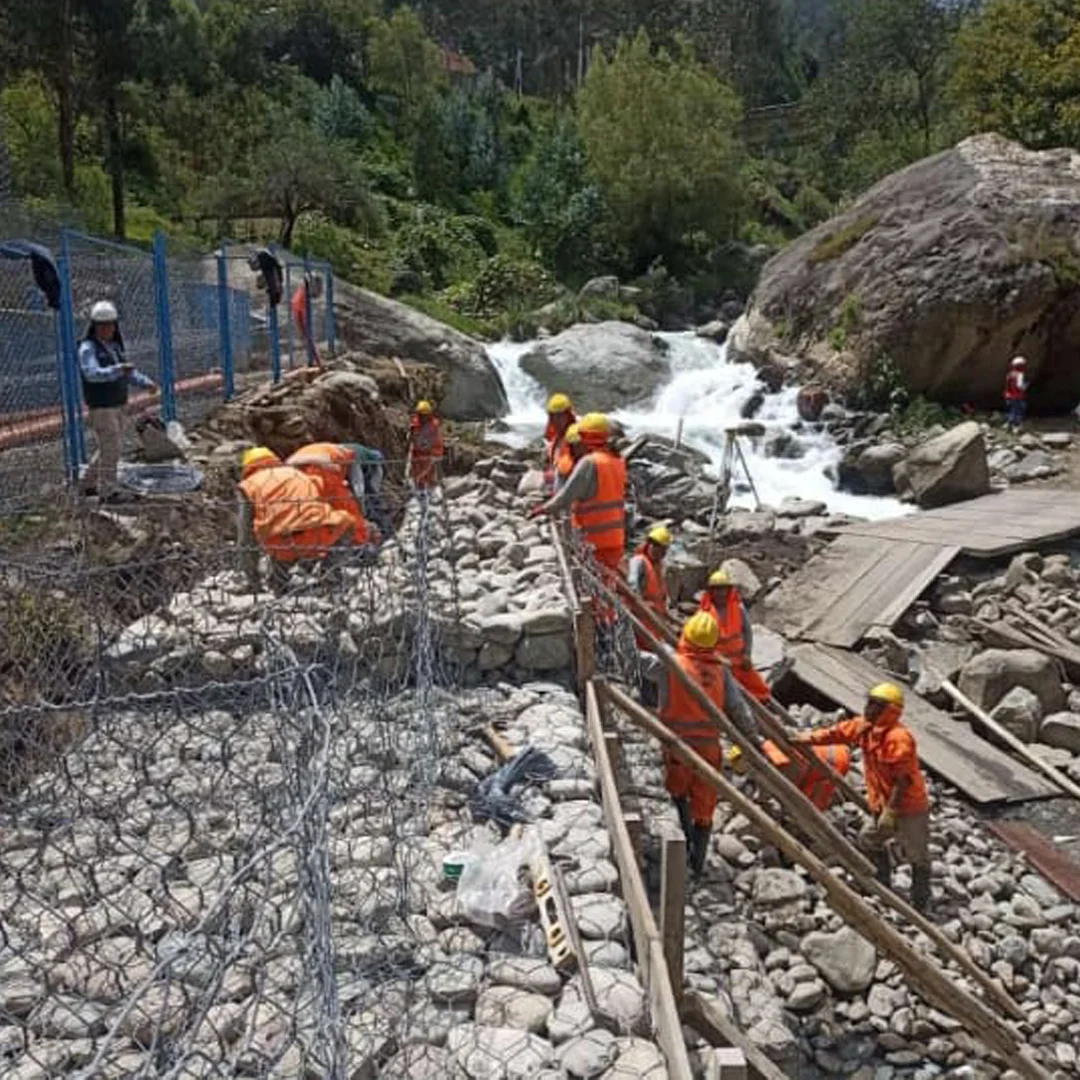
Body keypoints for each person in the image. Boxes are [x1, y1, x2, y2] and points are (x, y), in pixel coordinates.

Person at [640, 611, 760, 878]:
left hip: (677, 746)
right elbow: (739, 710)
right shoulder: (721, 672)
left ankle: (683, 850)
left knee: (678, 793)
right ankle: (697, 862)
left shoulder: (670, 664)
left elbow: (638, 662)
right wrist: (754, 740)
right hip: (709, 748)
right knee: (705, 806)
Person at [793, 682, 932, 911]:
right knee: (869, 839)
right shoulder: (864, 727)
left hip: (908, 806)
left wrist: (891, 812)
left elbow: (903, 780)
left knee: (917, 855)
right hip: (881, 801)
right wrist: (805, 738)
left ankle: (920, 903)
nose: (870, 709)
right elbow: (836, 733)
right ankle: (883, 884)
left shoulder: (898, 738)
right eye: (870, 703)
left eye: (877, 706)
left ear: (890, 711)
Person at [237, 446, 364, 592]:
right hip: (317, 536)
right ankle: (330, 575)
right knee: (347, 522)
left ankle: (279, 584)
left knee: (277, 538)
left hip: (280, 543)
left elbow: (245, 537)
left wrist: (252, 579)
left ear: (247, 469)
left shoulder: (249, 485)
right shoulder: (296, 473)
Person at [78, 300, 156, 502]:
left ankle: (87, 483)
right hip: (102, 407)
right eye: (102, 325)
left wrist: (146, 383)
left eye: (110, 324)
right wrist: (117, 370)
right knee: (111, 447)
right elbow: (92, 374)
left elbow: (128, 372)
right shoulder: (88, 348)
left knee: (108, 446)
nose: (107, 329)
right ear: (94, 326)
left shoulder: (114, 347)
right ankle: (108, 491)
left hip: (119, 405)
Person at [529, 412, 626, 574]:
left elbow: (565, 497)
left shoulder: (589, 462)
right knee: (609, 581)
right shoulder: (618, 461)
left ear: (587, 437)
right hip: (616, 537)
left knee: (594, 583)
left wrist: (542, 509)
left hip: (594, 539)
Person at [699, 569, 773, 704]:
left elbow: (747, 632)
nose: (721, 594)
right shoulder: (704, 613)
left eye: (724, 589)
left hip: (739, 660)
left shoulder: (738, 608)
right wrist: (717, 658)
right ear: (711, 591)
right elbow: (701, 643)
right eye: (717, 590)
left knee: (759, 688)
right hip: (719, 663)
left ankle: (763, 707)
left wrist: (747, 654)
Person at [285, 443, 374, 546]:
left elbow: (288, 463)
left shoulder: (323, 447)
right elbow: (358, 485)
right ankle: (363, 543)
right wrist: (362, 512)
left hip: (298, 475)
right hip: (323, 471)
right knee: (350, 512)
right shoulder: (352, 455)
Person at [727, 740, 852, 812]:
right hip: (831, 758)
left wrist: (771, 793)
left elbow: (792, 771)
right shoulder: (767, 750)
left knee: (809, 810)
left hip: (834, 762)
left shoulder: (772, 753)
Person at [543, 392, 577, 494]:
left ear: (568, 415)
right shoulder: (555, 436)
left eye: (560, 416)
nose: (557, 420)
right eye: (554, 416)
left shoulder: (576, 435)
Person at [408, 400, 444, 493]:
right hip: (417, 455)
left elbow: (435, 441)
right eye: (420, 415)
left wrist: (430, 451)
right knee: (417, 477)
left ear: (429, 414)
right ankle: (420, 494)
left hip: (430, 455)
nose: (422, 417)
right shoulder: (415, 423)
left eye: (424, 415)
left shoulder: (434, 425)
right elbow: (412, 438)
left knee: (429, 477)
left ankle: (431, 494)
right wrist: (411, 435)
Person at [290, 274, 324, 367]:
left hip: (300, 309)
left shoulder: (302, 293)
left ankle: (315, 361)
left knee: (307, 337)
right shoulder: (302, 294)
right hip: (300, 310)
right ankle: (316, 362)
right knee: (307, 337)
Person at [554, 423, 584, 492]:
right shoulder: (565, 464)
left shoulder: (595, 458)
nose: (577, 448)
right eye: (574, 444)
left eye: (579, 444)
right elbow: (559, 490)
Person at [1004, 356, 1027, 432]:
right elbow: (1019, 386)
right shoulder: (1020, 375)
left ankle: (1008, 424)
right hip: (1018, 396)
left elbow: (1007, 385)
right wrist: (1025, 386)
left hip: (1009, 396)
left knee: (1011, 410)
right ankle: (1016, 427)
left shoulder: (1010, 374)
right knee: (1018, 411)